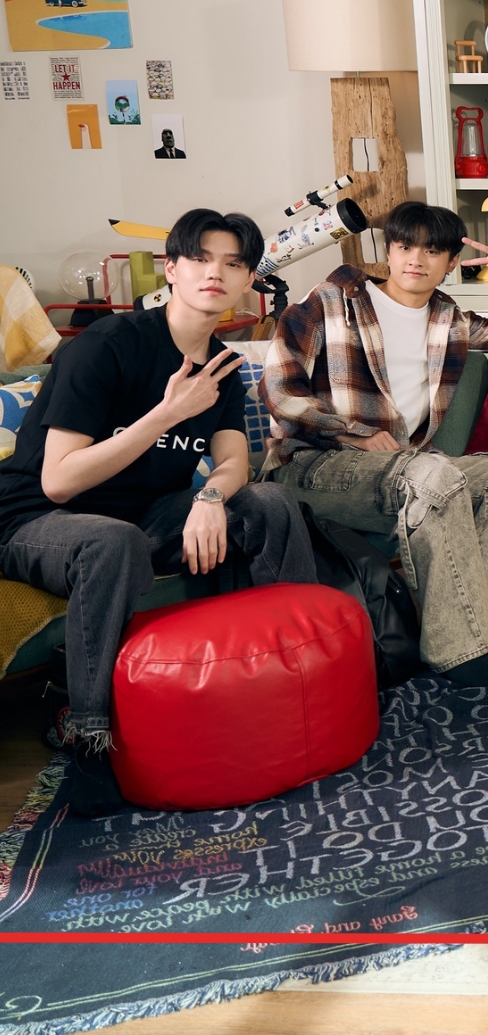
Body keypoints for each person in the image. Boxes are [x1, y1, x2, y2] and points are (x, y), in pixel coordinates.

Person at [0, 208, 315, 814]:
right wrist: (168, 413)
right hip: (35, 521)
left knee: (269, 502)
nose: (214, 273)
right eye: (199, 258)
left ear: (247, 279)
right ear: (171, 269)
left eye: (233, 263)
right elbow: (59, 482)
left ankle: (295, 685)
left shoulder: (221, 366)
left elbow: (234, 462)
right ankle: (90, 737)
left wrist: (210, 496)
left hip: (142, 516)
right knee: (111, 541)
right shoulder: (107, 346)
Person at [264, 201, 488, 688]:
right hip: (315, 466)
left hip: (401, 469)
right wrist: (353, 433)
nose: (415, 260)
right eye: (404, 247)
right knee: (432, 474)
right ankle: (457, 649)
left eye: (432, 251)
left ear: (451, 262)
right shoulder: (332, 300)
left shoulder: (448, 320)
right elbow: (279, 390)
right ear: (390, 251)